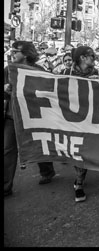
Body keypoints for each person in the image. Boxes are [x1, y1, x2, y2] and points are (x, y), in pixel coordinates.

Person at [4, 41, 56, 197]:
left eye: (15, 51)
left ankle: (47, 171)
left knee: (39, 145)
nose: (11, 53)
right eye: (11, 51)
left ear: (26, 54)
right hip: (12, 116)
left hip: (34, 116)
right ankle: (6, 186)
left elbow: (51, 89)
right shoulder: (8, 70)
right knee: (7, 150)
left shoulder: (38, 71)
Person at [62, 46, 99, 203]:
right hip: (71, 120)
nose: (94, 58)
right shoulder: (65, 73)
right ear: (82, 58)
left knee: (86, 150)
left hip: (92, 119)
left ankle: (79, 180)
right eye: (91, 56)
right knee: (77, 150)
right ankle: (79, 183)